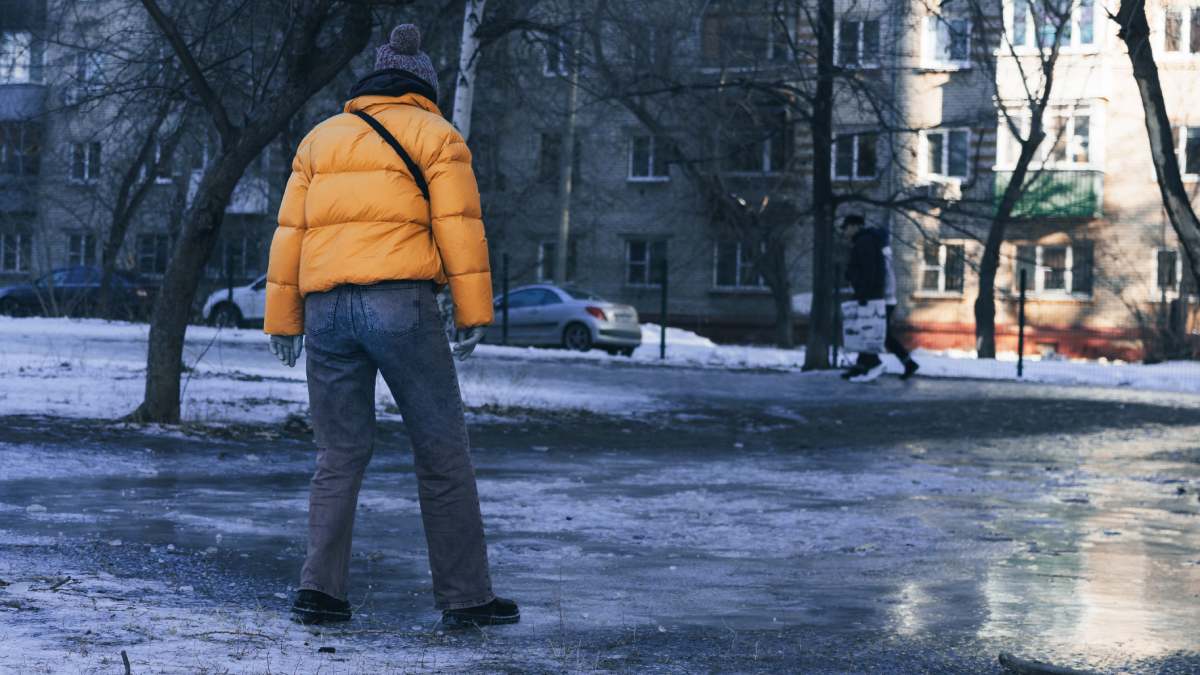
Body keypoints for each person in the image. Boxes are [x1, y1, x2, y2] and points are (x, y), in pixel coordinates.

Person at [263, 24, 518, 627]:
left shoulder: (320, 139)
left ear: (370, 84)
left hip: (326, 310)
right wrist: (473, 310)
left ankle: (319, 591)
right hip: (399, 304)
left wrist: (284, 320)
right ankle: (466, 596)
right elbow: (459, 223)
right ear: (422, 88)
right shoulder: (437, 134)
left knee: (339, 452)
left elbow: (289, 234)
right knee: (441, 450)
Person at [841, 214, 919, 382]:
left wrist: (864, 294)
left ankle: (872, 364)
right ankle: (866, 366)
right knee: (876, 332)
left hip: (876, 297)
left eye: (846, 227)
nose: (844, 232)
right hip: (881, 296)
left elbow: (871, 272)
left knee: (871, 332)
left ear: (855, 226)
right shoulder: (871, 241)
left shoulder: (865, 242)